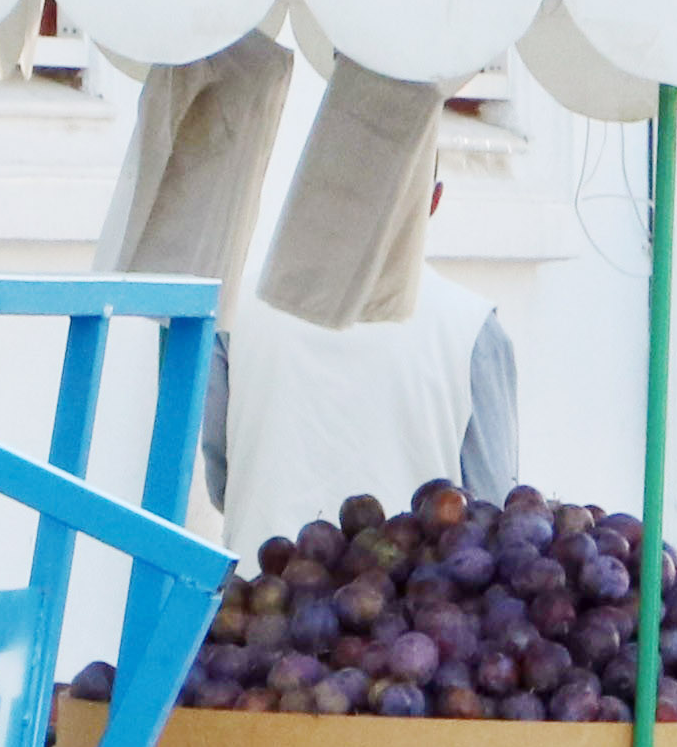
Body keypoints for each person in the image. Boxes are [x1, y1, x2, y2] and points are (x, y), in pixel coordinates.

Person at [207, 180, 516, 560]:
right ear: (433, 199)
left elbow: (223, 481)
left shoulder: (236, 310)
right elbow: (495, 508)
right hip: (418, 604)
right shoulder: (473, 326)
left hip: (259, 594)